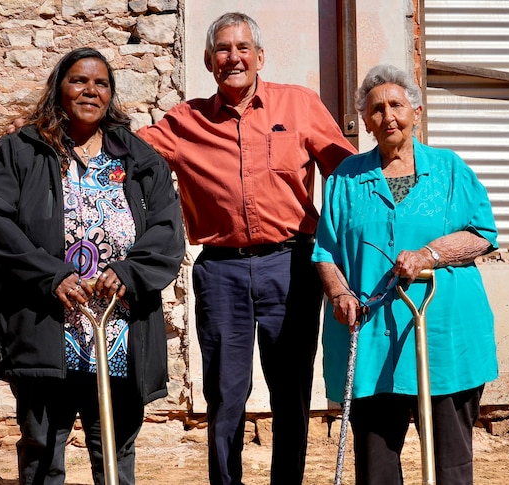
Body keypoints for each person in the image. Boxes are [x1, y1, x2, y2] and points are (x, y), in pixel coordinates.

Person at [137, 12, 356, 485]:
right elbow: (124, 158)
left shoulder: (298, 105)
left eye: (241, 48)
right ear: (209, 61)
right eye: (222, 49)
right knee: (225, 396)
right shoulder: (184, 121)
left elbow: (349, 172)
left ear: (259, 57)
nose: (232, 57)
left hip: (292, 266)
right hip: (220, 272)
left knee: (291, 394)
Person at [0, 47, 185, 485]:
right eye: (78, 80)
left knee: (114, 450)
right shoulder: (21, 150)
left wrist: (129, 273)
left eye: (101, 83)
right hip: (45, 325)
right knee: (43, 449)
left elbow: (167, 232)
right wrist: (52, 276)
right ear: (59, 88)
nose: (90, 90)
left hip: (118, 329)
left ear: (111, 94)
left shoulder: (139, 159)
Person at [312, 64, 499, 485]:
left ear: (416, 109)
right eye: (376, 109)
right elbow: (325, 250)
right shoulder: (346, 178)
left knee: (450, 462)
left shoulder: (450, 169)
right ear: (365, 120)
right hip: (372, 336)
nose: (388, 116)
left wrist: (431, 254)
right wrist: (340, 292)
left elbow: (482, 234)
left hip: (444, 334)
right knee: (376, 465)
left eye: (396, 104)